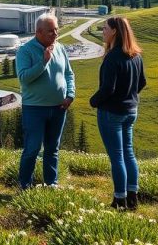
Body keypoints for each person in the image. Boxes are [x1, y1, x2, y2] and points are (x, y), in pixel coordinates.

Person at [89, 15, 146, 210]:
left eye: (105, 28)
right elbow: (142, 83)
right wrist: (129, 95)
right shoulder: (135, 55)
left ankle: (119, 199)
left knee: (117, 157)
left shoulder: (112, 57)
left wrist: (93, 101)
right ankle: (132, 197)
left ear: (114, 31)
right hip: (131, 110)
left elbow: (108, 89)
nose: (103, 32)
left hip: (111, 112)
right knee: (128, 153)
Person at [15, 12, 75, 189]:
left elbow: (68, 74)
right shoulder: (25, 51)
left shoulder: (60, 48)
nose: (55, 34)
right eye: (50, 31)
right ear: (38, 32)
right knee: (32, 149)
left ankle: (51, 184)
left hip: (58, 108)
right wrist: (43, 62)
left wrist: (70, 94)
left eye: (56, 30)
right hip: (34, 109)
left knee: (52, 149)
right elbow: (24, 78)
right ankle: (25, 184)